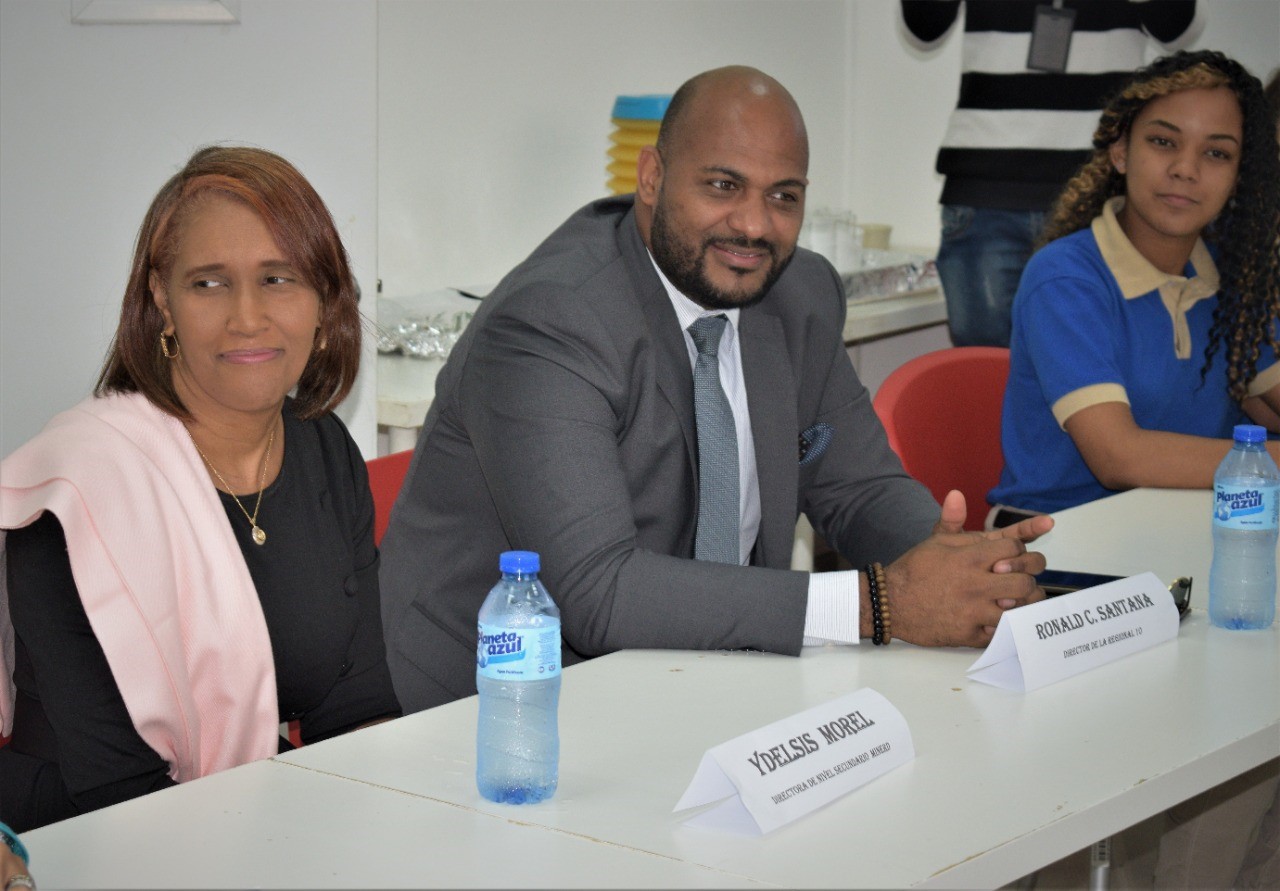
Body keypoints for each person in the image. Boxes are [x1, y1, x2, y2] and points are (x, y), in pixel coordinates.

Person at [378, 65, 1052, 714]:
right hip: (507, 702)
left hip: (710, 679)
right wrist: (878, 604)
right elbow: (599, 591)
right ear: (652, 177)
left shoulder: (798, 292)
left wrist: (966, 573)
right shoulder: (553, 318)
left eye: (783, 196)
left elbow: (859, 487)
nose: (754, 225)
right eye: (723, 186)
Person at [0, 146, 401, 832]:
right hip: (82, 837)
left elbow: (356, 712)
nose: (247, 316)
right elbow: (122, 796)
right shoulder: (80, 493)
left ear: (322, 297)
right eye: (209, 283)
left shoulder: (321, 446)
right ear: (162, 298)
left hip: (250, 806)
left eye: (278, 278)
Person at [989, 50, 1280, 523]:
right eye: (1164, 142)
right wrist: (1265, 463)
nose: (1186, 169)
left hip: (1178, 530)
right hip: (1056, 542)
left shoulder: (1229, 279)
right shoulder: (1065, 278)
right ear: (1121, 151)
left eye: (1216, 153)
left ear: (1239, 174)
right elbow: (1119, 458)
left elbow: (1268, 405)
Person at [900, 0, 1198, 348]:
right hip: (986, 191)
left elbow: (1180, 28)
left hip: (1099, 193)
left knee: (1098, 356)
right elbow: (923, 29)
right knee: (986, 367)